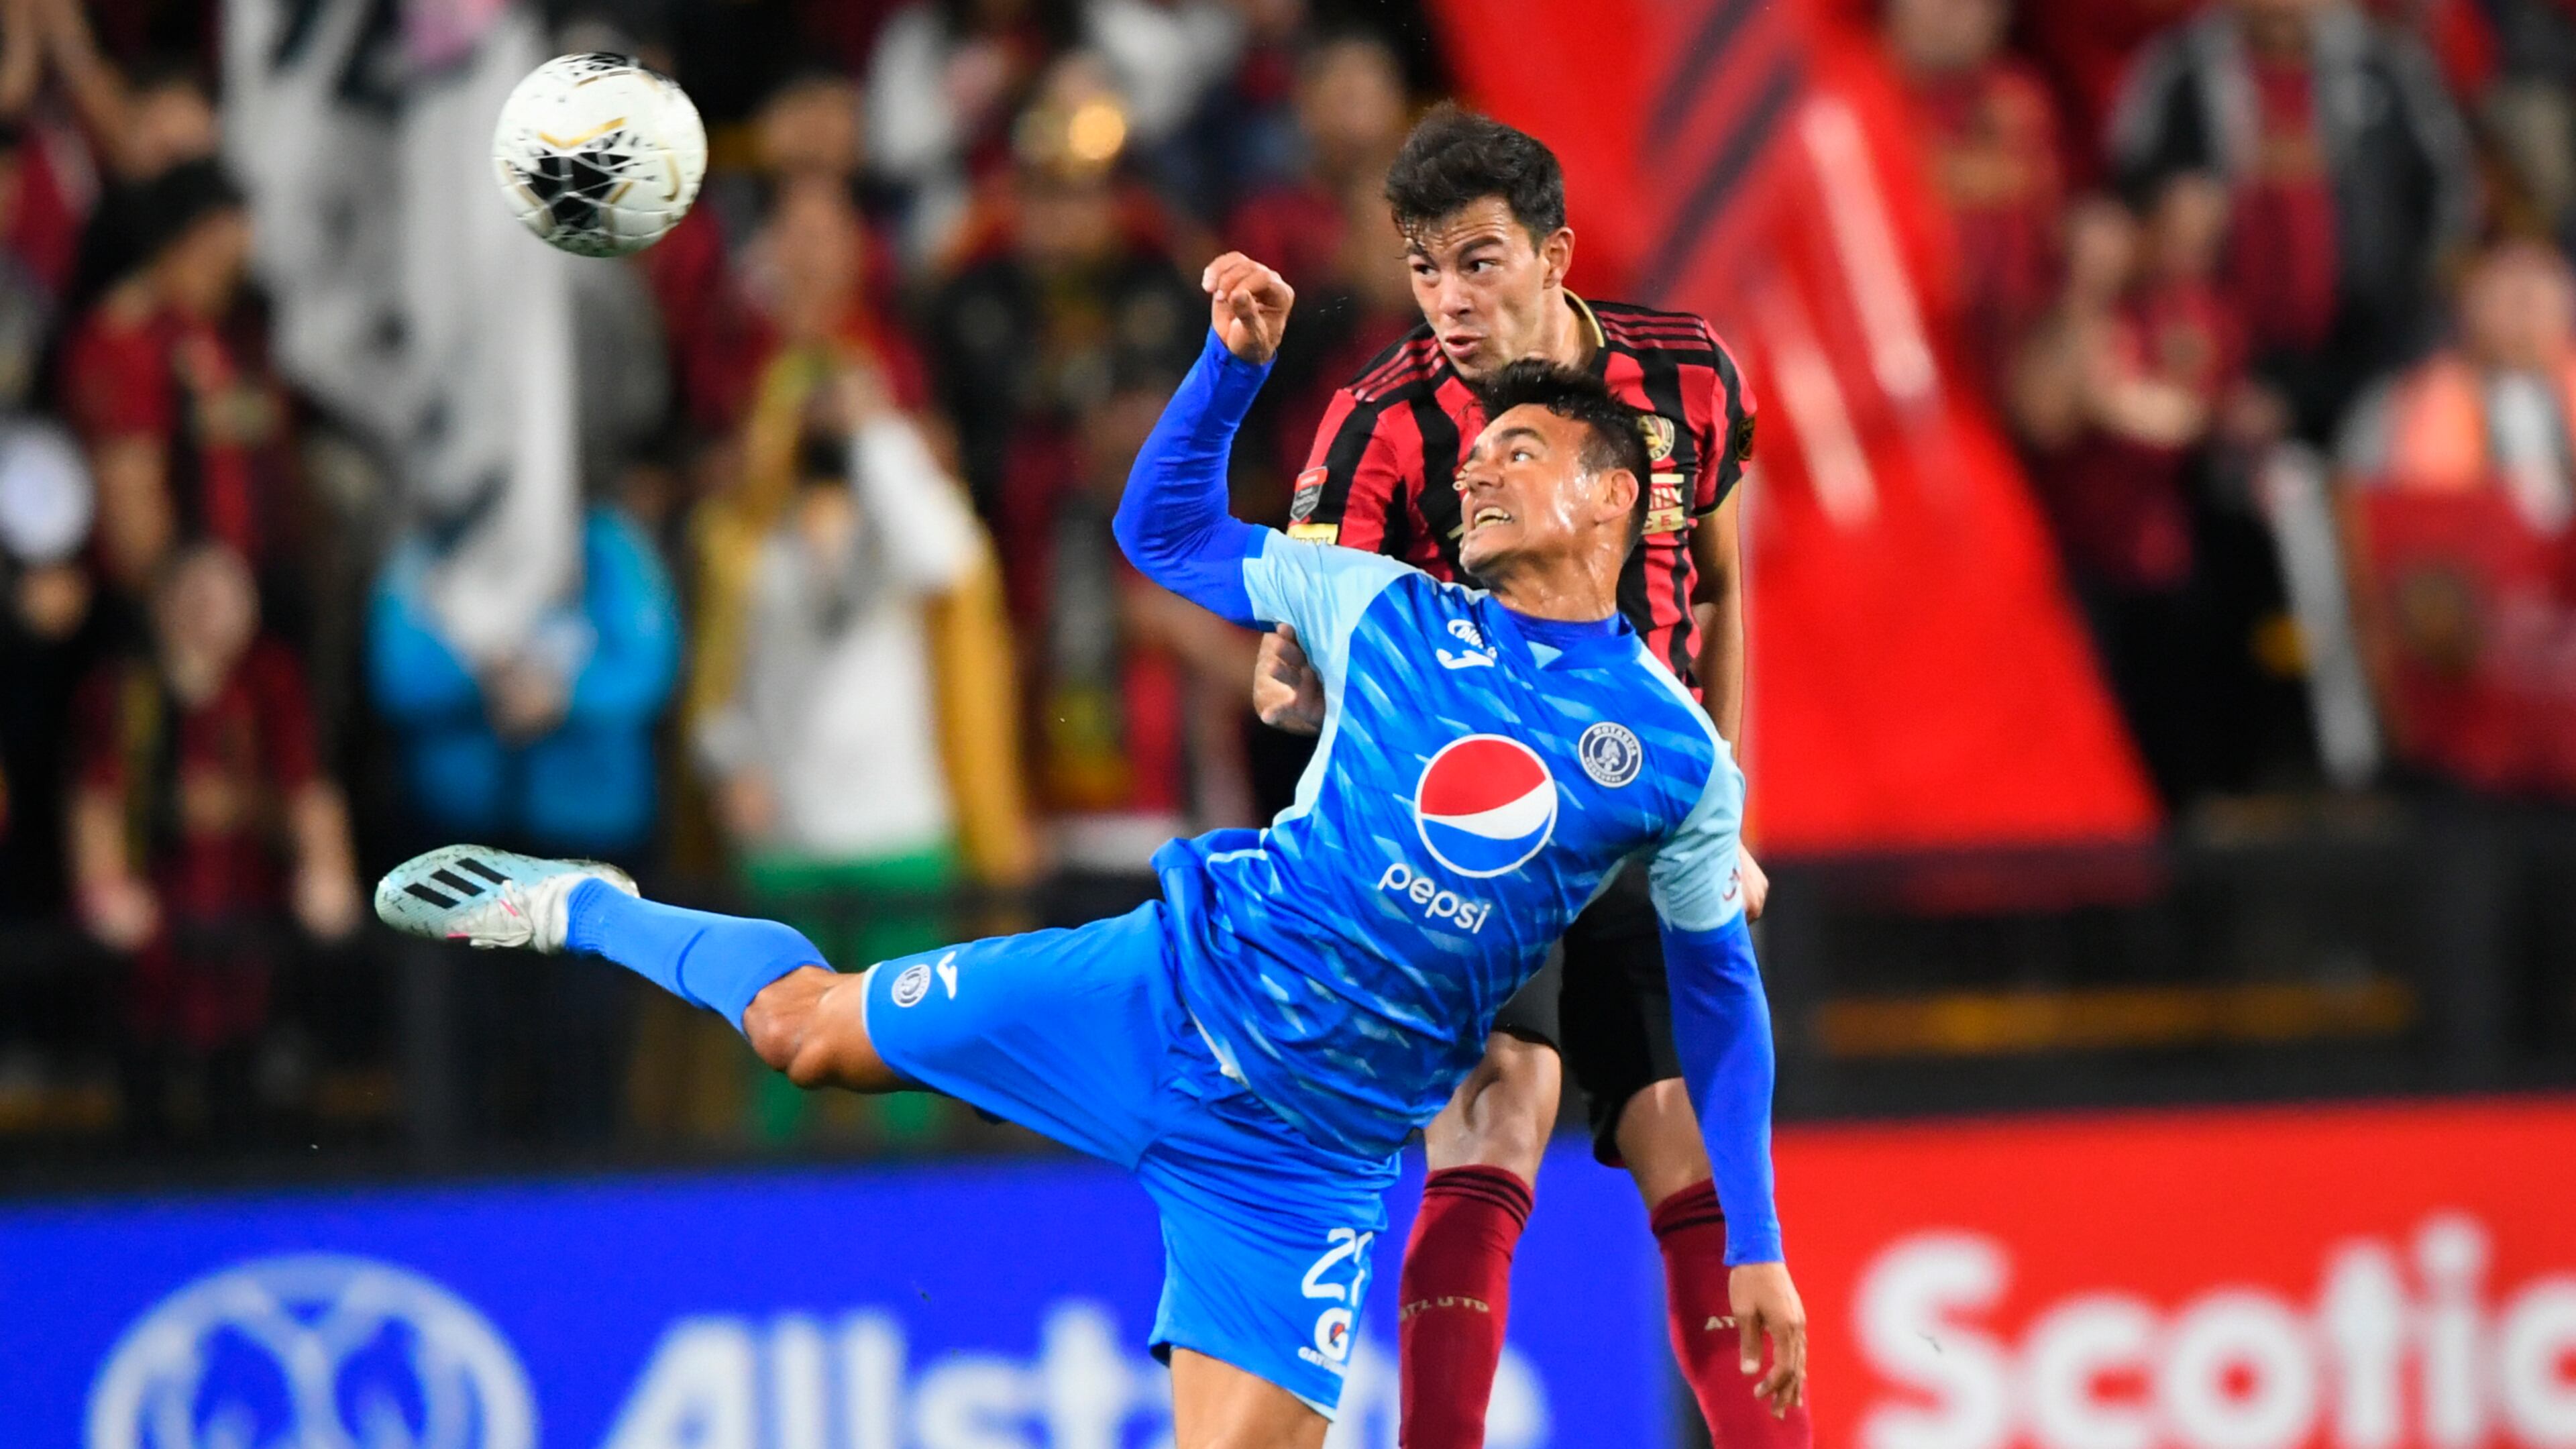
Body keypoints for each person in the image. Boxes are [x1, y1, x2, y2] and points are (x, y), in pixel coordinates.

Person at [374, 252, 1806, 1447]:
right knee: (801, 1036)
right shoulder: (1383, 605)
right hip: (1161, 992)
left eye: (1518, 454)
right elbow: (1161, 529)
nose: (1476, 476)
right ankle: (586, 908)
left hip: (1298, 1169)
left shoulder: (1671, 752)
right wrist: (1229, 372)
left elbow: (1722, 1009)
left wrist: (1756, 1241)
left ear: (1611, 497)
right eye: (1476, 455)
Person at [1246, 107, 1802, 1446]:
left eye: (1478, 262)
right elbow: (1286, 662)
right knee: (1500, 1107)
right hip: (1476, 825)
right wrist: (1305, 681)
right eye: (1423, 267)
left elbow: (1718, 588)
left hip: (1641, 804)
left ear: (1554, 255)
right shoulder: (1379, 422)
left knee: (1688, 1137)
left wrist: (1730, 808)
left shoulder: (1688, 374)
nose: (1447, 300)